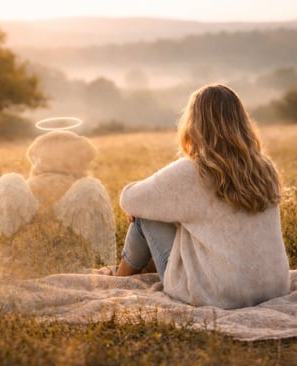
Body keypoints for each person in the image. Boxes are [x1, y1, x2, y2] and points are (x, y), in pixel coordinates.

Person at [115, 84, 290, 309]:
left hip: (220, 295)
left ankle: (118, 281)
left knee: (145, 215)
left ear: (195, 124)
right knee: (155, 209)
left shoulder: (194, 171)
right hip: (273, 286)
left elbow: (129, 199)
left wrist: (141, 207)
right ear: (241, 121)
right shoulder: (265, 168)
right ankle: (137, 269)